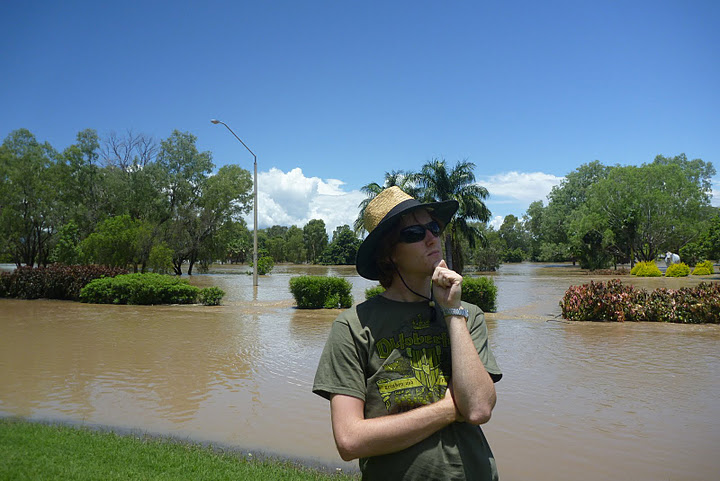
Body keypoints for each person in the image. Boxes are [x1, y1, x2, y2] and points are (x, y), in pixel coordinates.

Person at [313, 186, 502, 480]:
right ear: (390, 256)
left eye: (434, 227)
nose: (431, 238)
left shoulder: (468, 314)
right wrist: (451, 408)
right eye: (414, 234)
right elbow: (350, 440)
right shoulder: (353, 326)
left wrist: (452, 311)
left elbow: (478, 409)